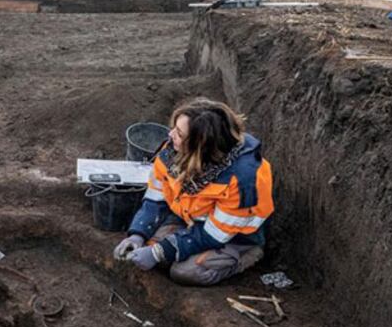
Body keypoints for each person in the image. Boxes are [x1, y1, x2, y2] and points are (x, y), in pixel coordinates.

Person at [113, 99, 273, 286]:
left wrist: (159, 252)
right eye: (174, 128)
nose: (171, 135)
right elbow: (155, 198)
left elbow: (214, 235)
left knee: (185, 272)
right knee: (150, 250)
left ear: (201, 146)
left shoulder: (242, 179)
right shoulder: (172, 150)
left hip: (235, 237)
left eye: (179, 133)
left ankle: (247, 256)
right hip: (190, 218)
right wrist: (138, 233)